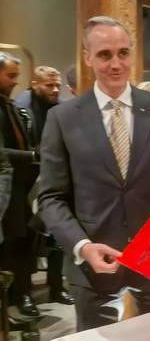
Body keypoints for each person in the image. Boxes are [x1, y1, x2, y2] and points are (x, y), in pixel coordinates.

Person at [38, 16, 150, 331]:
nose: (116, 64)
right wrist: (82, 246)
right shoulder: (63, 118)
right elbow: (51, 197)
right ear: (88, 57)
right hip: (95, 270)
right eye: (104, 55)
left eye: (123, 53)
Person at [14, 66, 75, 306]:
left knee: (58, 237)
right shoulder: (20, 109)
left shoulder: (61, 109)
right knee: (27, 240)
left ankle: (56, 287)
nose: (55, 89)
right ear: (35, 84)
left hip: (56, 180)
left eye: (57, 85)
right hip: (27, 183)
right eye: (49, 85)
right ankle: (24, 292)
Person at [0, 52, 40, 317]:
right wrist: (33, 156)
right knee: (10, 246)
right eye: (11, 75)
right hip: (5, 190)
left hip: (21, 188)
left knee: (24, 242)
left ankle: (22, 294)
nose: (15, 81)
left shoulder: (10, 105)